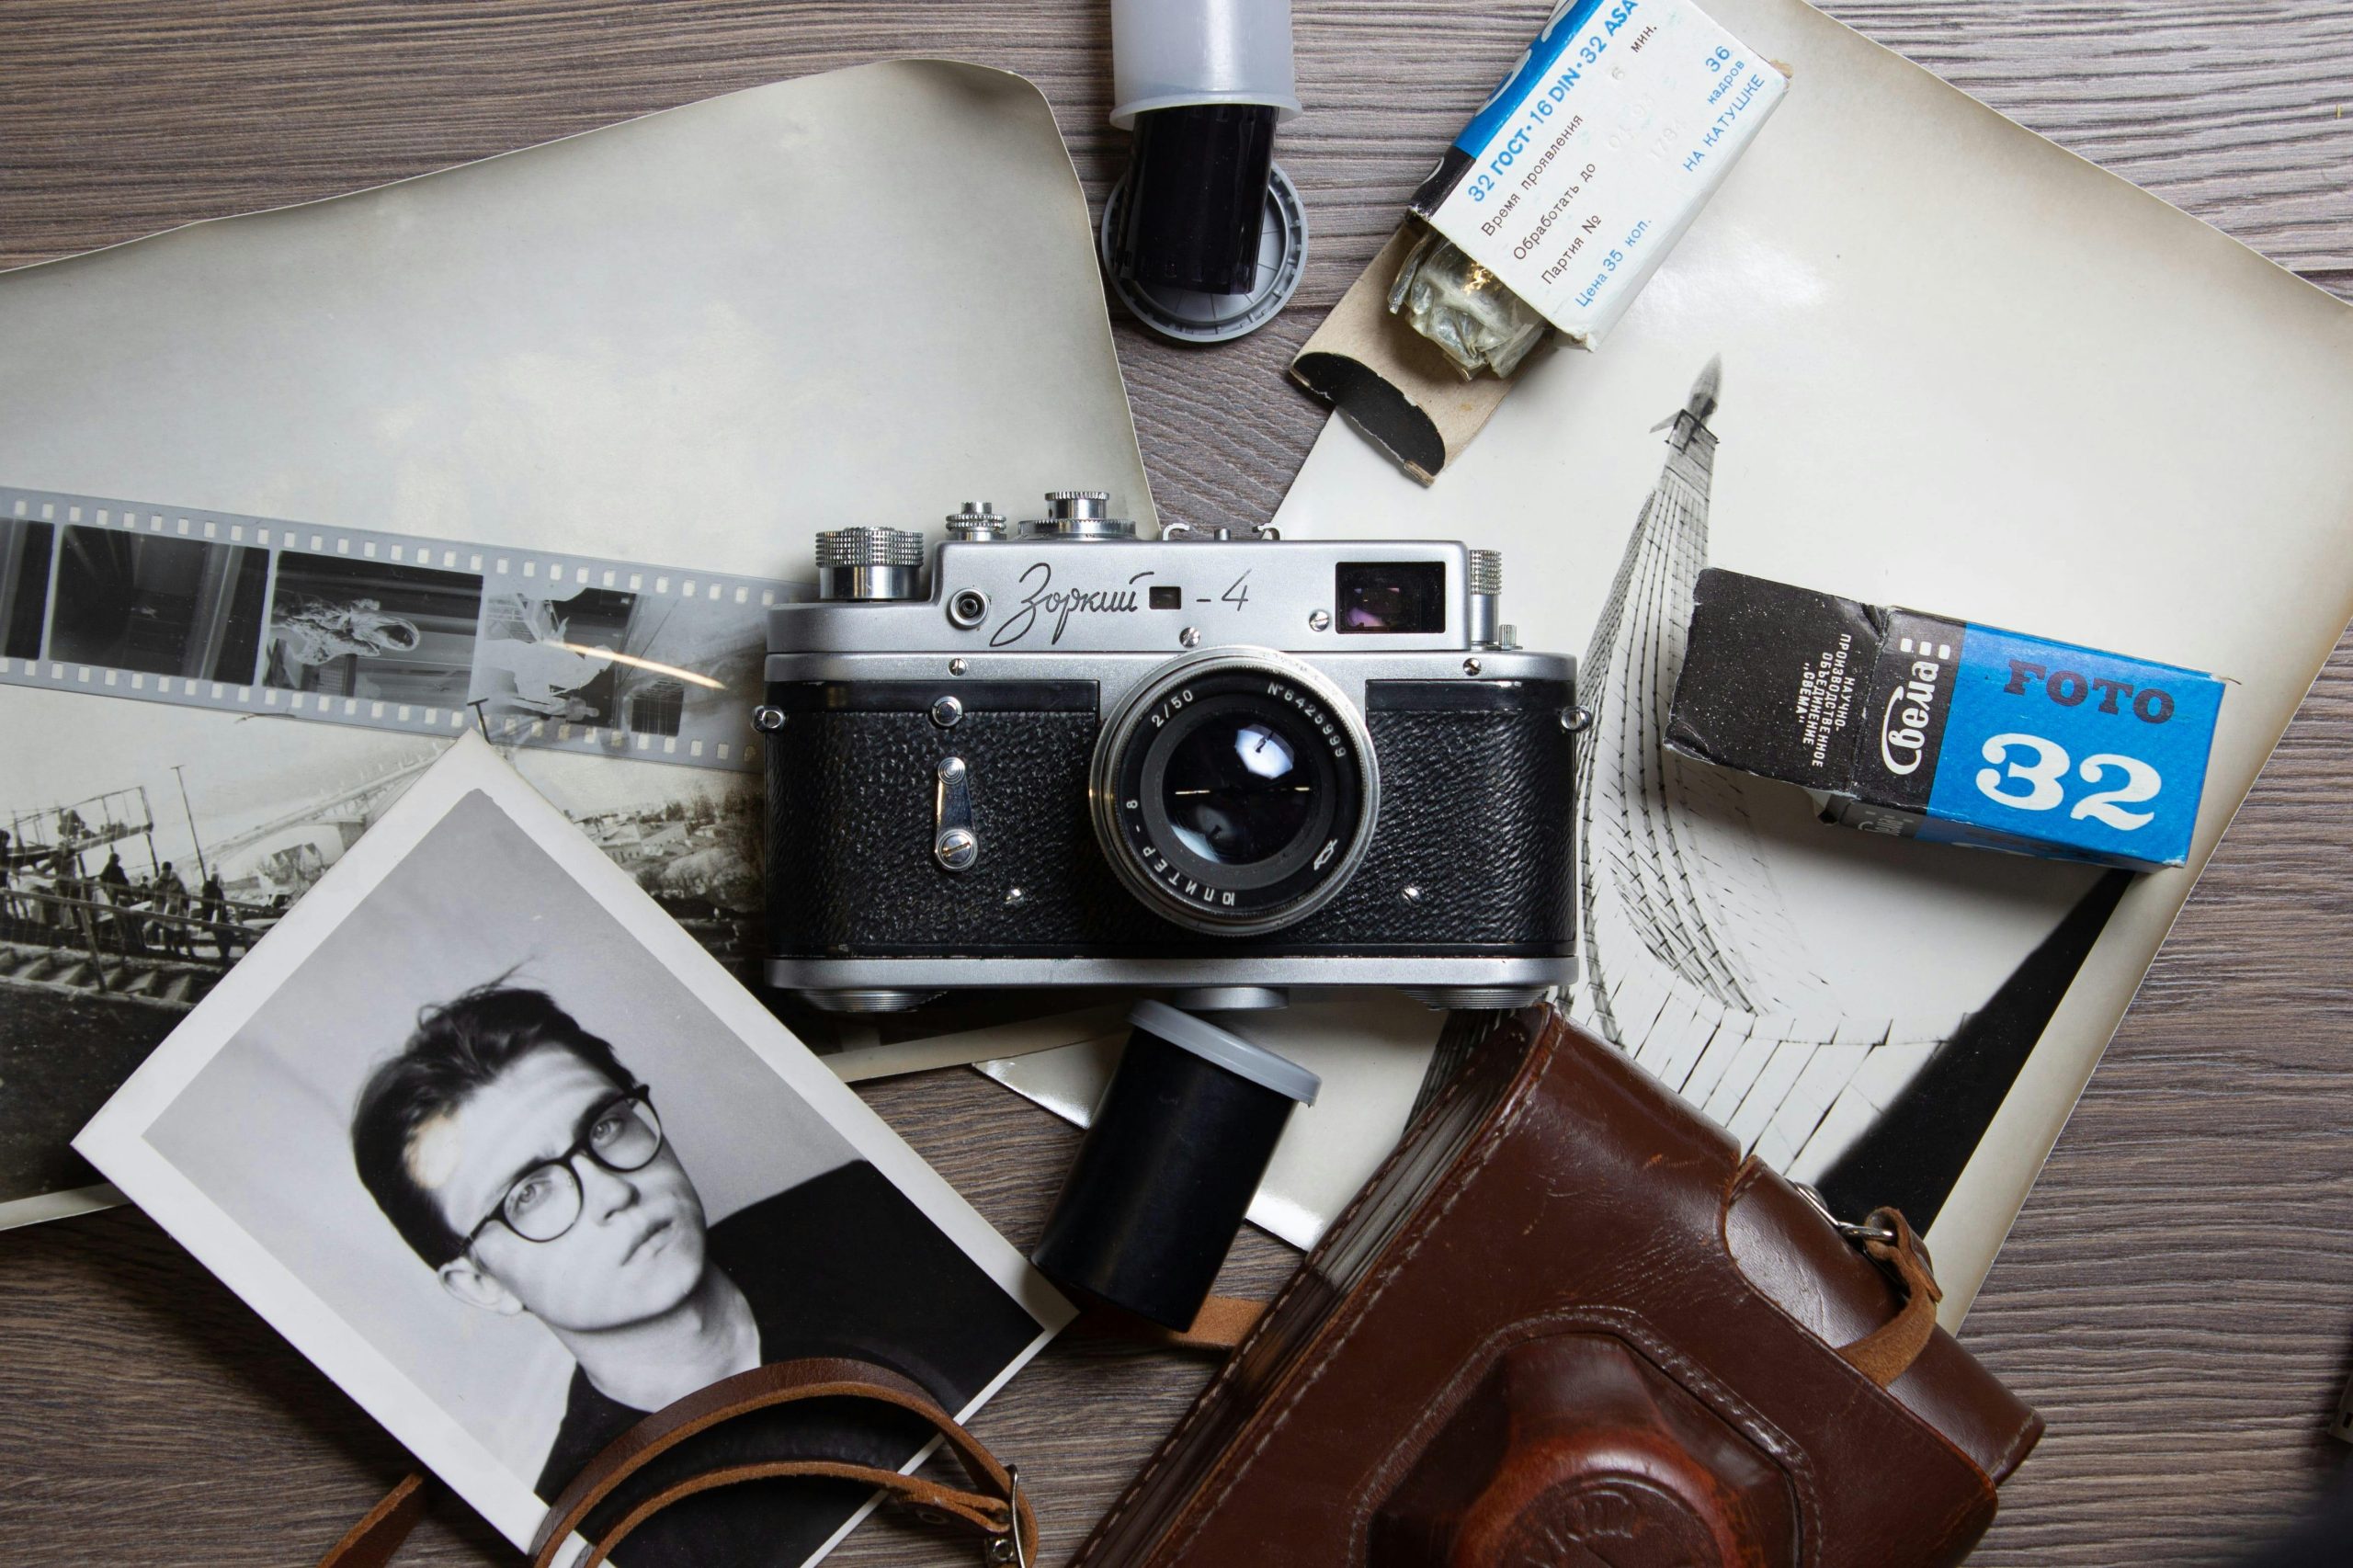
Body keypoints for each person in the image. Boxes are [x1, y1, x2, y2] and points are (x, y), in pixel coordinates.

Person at [349, 984, 1038, 1566]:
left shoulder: (875, 1214)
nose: (615, 1191)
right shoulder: (601, 1529)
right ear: (483, 1285)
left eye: (605, 1127)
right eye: (530, 1193)